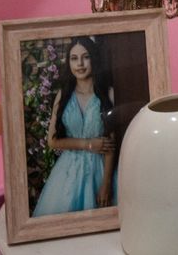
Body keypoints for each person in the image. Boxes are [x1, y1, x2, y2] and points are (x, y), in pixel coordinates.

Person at [32, 36, 117, 215]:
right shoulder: (63, 95)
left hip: (100, 169)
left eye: (85, 57)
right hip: (68, 171)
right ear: (69, 62)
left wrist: (106, 183)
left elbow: (111, 144)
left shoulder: (108, 94)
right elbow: (52, 141)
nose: (80, 64)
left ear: (94, 59)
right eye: (74, 58)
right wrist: (88, 144)